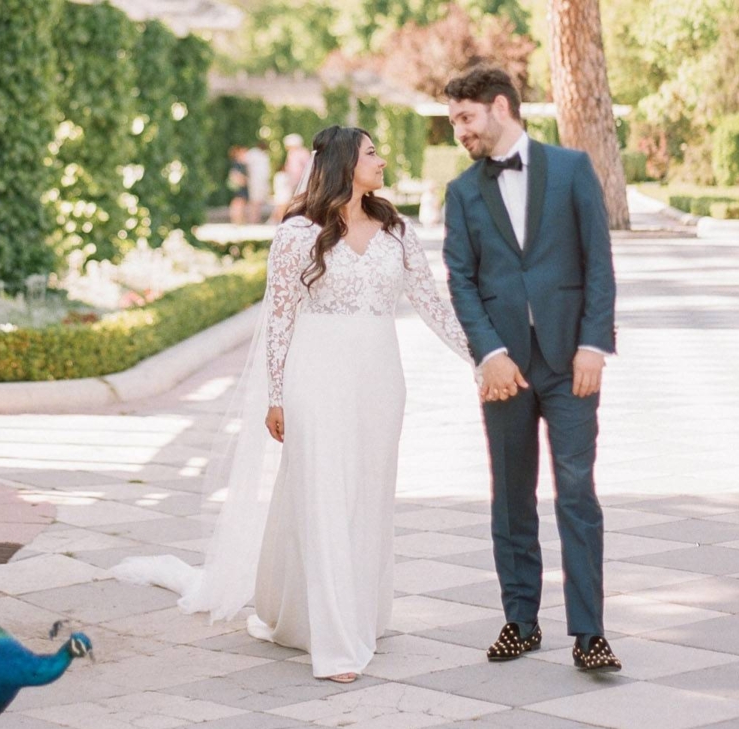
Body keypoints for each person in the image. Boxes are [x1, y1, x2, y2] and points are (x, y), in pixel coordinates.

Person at [115, 126, 474, 682]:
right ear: (342, 165)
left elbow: (431, 302)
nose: (382, 160)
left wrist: (480, 356)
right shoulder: (297, 234)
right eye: (371, 153)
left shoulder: (397, 230)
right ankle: (334, 644)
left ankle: (343, 613)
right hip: (318, 378)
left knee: (367, 496)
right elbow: (279, 318)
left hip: (381, 381)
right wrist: (276, 394)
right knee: (324, 495)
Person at [441, 67, 621, 673]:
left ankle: (590, 632)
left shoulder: (570, 169)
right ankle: (520, 620)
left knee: (576, 493)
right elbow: (460, 282)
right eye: (453, 122)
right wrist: (489, 355)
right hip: (505, 371)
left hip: (572, 362)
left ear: (499, 107)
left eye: (465, 118)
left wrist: (594, 344)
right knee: (512, 497)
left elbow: (599, 261)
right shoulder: (462, 192)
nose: (459, 131)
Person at [245, 142, 271, 223]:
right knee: (254, 201)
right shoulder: (253, 153)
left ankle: (256, 218)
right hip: (255, 181)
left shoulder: (264, 155)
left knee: (258, 201)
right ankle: (252, 219)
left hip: (260, 181)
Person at [227, 146, 249, 225]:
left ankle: (238, 219)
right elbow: (235, 175)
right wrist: (245, 180)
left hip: (240, 186)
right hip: (239, 187)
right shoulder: (238, 165)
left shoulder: (240, 164)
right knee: (238, 203)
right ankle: (237, 220)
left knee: (239, 203)